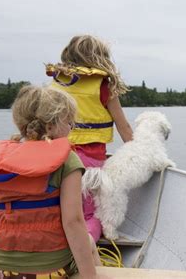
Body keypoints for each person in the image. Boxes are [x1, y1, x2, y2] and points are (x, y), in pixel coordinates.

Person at [0, 85, 107, 279]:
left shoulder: (6, 162)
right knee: (89, 243)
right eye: (69, 122)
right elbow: (73, 222)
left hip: (4, 269)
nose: (71, 127)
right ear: (52, 125)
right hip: (51, 270)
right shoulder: (68, 160)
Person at [45, 35, 133, 243]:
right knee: (91, 215)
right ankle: (85, 249)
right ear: (99, 58)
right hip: (90, 163)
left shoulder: (55, 84)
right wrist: (139, 152)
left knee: (61, 209)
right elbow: (124, 127)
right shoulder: (103, 86)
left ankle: (58, 247)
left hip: (57, 158)